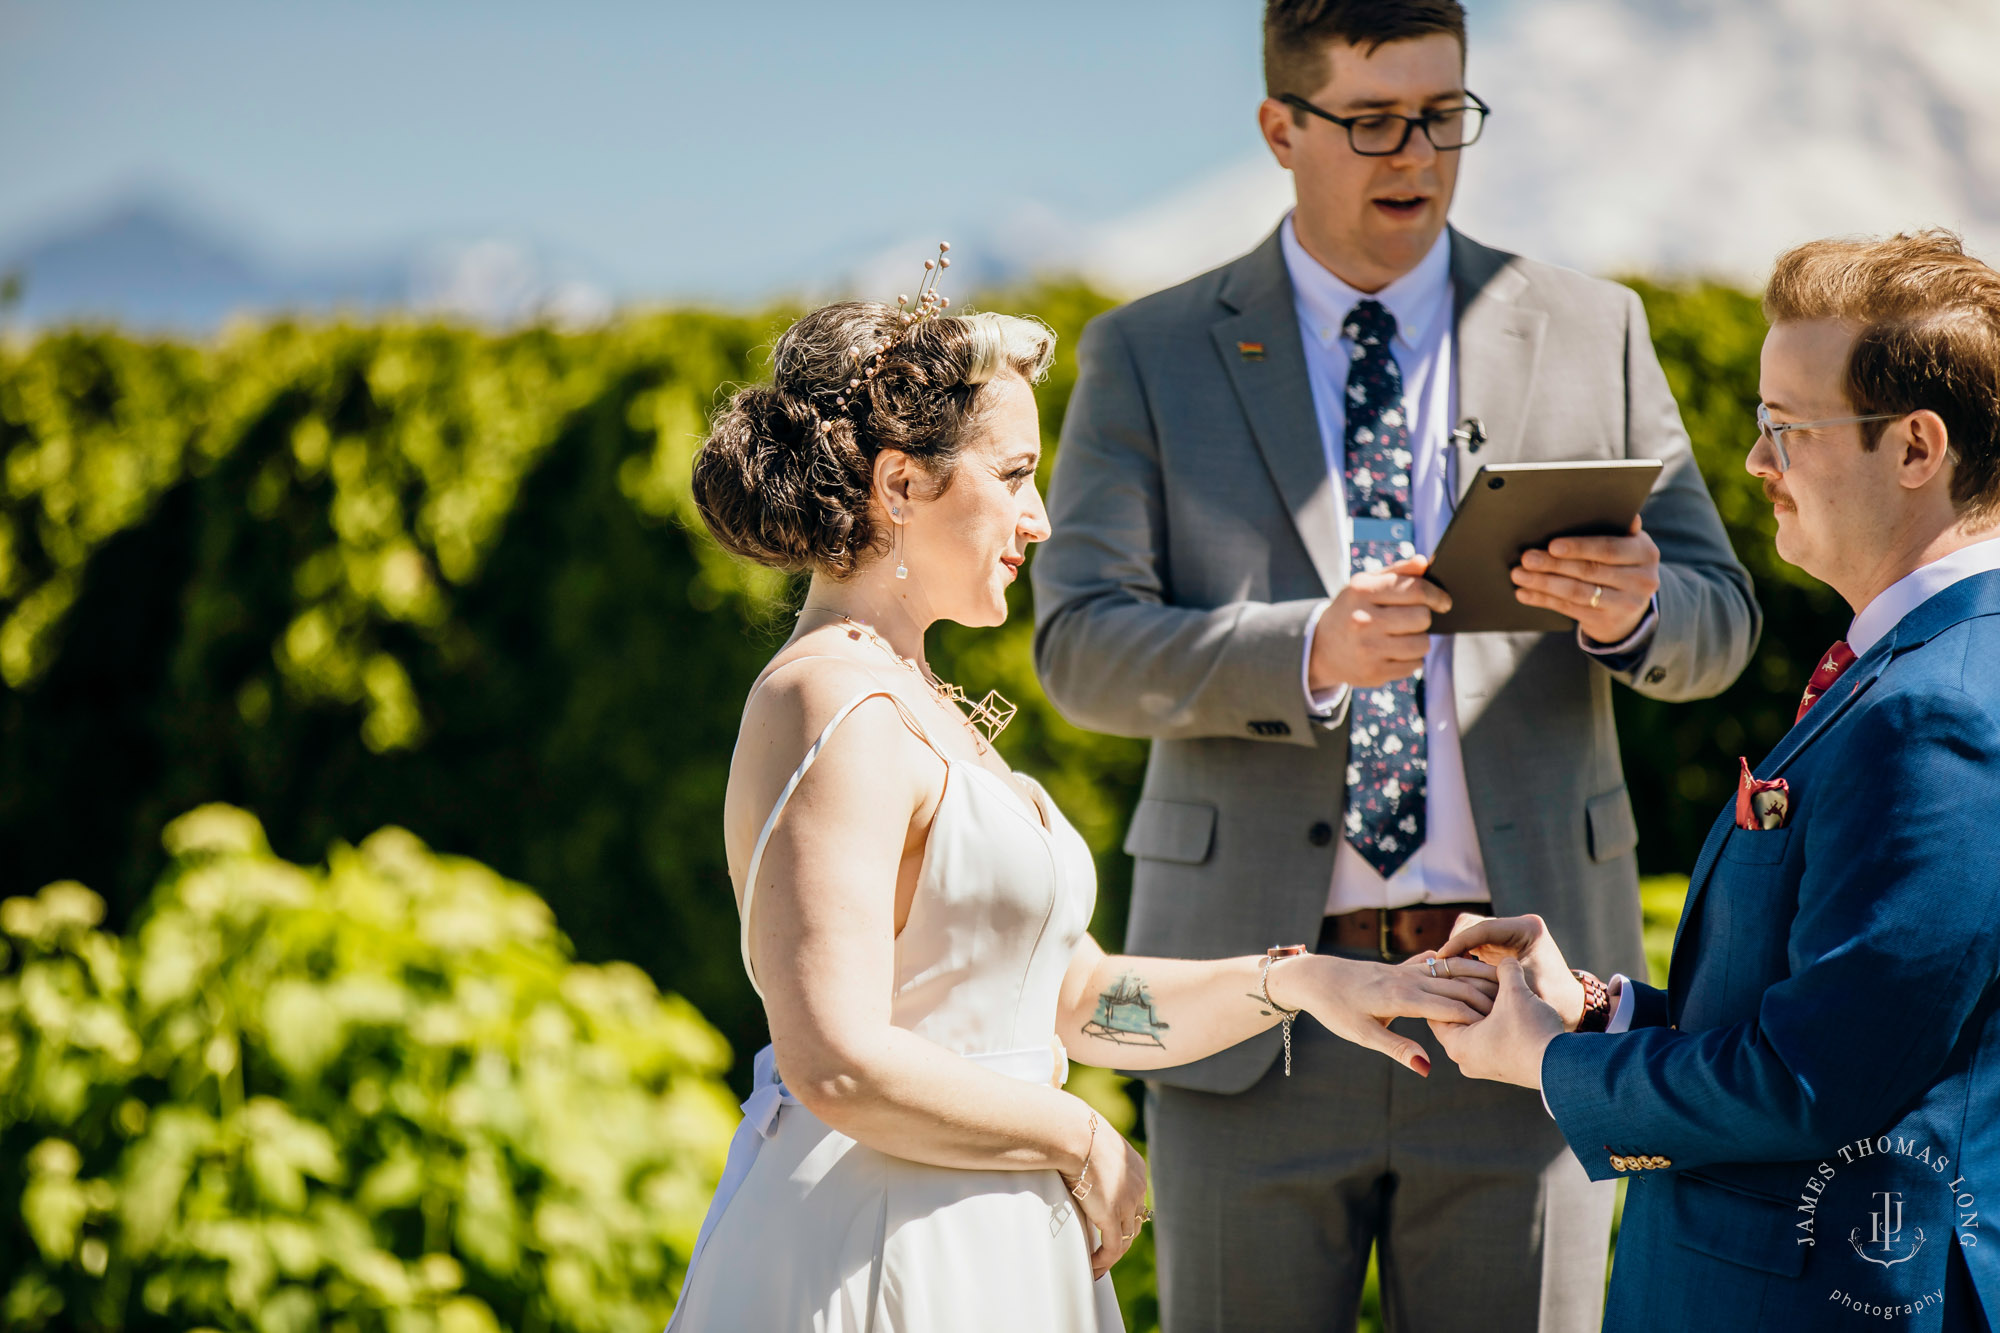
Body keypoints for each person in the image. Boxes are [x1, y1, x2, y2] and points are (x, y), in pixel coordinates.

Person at [1029, 1, 1760, 1328]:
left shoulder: (1593, 329)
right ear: (1279, 128)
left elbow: (1720, 619)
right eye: (1371, 122)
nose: (1414, 154)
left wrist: (1630, 612)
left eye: (1442, 115)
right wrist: (1301, 648)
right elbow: (1077, 646)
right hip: (1252, 1017)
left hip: (1517, 1016)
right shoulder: (1145, 354)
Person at [667, 268, 1498, 1333]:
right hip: (879, 1250)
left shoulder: (915, 697)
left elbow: (1077, 1002)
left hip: (992, 1238)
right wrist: (1076, 1136)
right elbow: (834, 1060)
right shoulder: (825, 696)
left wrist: (1300, 984)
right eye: (1013, 474)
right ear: (900, 486)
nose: (1041, 518)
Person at [1431, 230, 2000, 1332]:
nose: (1753, 464)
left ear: (1916, 447)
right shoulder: (1906, 669)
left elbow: (1811, 1078)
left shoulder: (1935, 710)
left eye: (1784, 428)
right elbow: (1828, 1014)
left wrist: (1548, 1064)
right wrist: (1598, 1015)